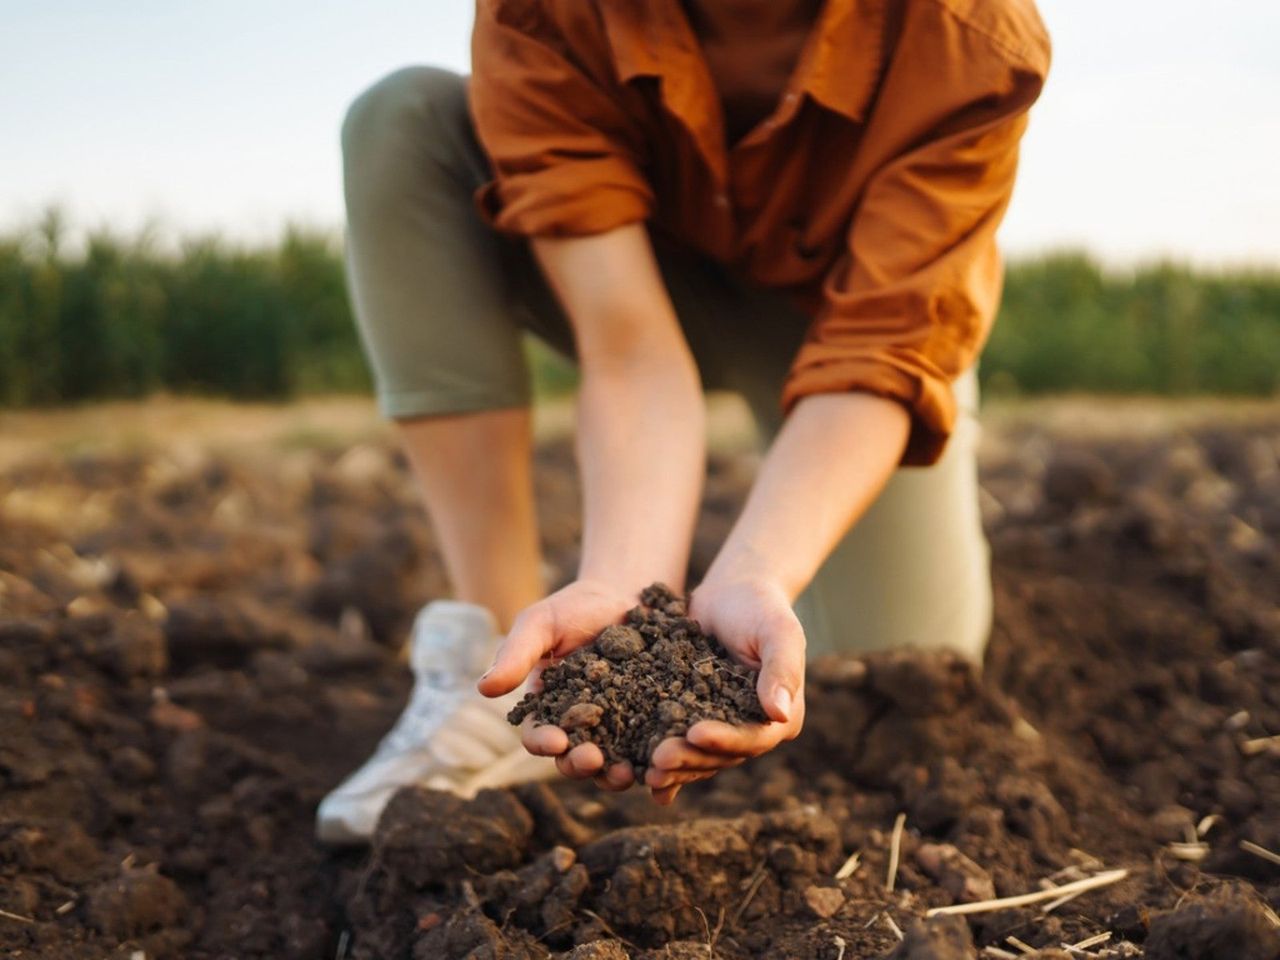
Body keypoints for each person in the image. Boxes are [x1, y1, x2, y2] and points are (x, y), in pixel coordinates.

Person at [316, 0, 1049, 844]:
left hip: (839, 328)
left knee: (906, 666)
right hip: (643, 285)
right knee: (404, 121)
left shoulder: (966, 33)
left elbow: (882, 351)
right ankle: (494, 672)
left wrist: (758, 574)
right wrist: (626, 587)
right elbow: (629, 346)